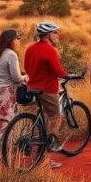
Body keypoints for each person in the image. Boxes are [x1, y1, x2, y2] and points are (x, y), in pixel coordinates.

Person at [24, 21, 69, 169]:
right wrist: (67, 75)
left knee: (43, 118)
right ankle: (52, 143)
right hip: (47, 89)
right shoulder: (50, 50)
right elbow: (57, 70)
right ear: (48, 35)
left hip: (32, 88)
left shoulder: (30, 49)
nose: (58, 35)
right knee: (56, 115)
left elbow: (26, 67)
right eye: (55, 32)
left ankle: (42, 156)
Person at [0, 28, 27, 162]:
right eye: (17, 38)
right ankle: (4, 154)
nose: (19, 41)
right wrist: (26, 77)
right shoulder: (11, 54)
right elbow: (16, 78)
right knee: (6, 123)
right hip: (5, 93)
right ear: (11, 40)